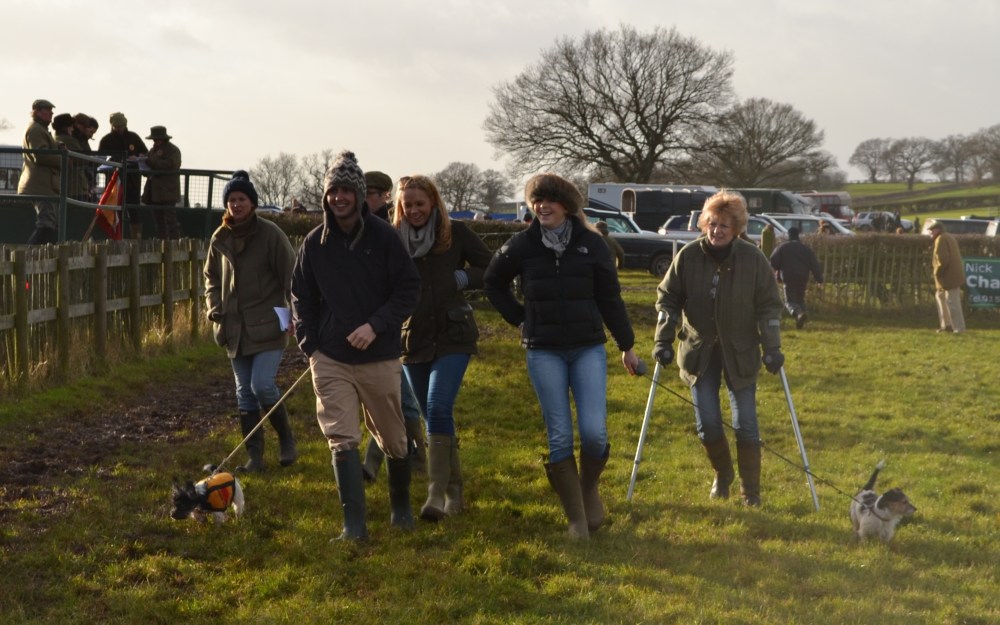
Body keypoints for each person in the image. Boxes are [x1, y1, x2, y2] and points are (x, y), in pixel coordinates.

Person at [484, 173, 639, 540]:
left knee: (594, 432)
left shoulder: (593, 244)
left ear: (567, 206)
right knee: (559, 436)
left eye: (549, 200)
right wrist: (520, 318)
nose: (542, 206)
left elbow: (610, 299)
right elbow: (493, 282)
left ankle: (587, 491)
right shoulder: (522, 245)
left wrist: (627, 345)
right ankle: (576, 522)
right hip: (543, 350)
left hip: (587, 347)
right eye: (536, 200)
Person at [291, 150, 421, 540]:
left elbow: (408, 289)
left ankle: (400, 508)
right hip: (329, 357)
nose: (339, 198)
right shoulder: (314, 243)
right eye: (333, 191)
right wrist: (310, 344)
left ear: (360, 195)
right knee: (341, 435)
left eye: (347, 190)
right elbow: (301, 296)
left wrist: (376, 326)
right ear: (326, 196)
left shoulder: (385, 238)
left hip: (378, 355)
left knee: (394, 437)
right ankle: (354, 526)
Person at [652, 190, 784, 507]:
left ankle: (750, 493)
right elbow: (667, 299)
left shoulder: (753, 259)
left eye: (724, 225)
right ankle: (723, 475)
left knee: (746, 424)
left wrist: (772, 347)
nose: (717, 230)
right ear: (704, 224)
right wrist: (663, 340)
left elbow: (769, 306)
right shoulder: (688, 256)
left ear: (736, 228)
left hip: (741, 351)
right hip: (699, 352)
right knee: (707, 423)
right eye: (712, 223)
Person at [392, 174, 493, 521]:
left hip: (453, 335)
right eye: (408, 206)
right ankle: (455, 492)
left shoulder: (456, 234)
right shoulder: (394, 242)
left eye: (421, 204)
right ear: (400, 208)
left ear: (434, 202)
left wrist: (463, 278)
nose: (415, 210)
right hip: (412, 339)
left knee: (436, 407)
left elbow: (491, 267)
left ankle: (434, 495)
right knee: (433, 415)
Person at [204, 170, 298, 472]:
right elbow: (211, 278)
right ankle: (255, 457)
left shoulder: (270, 234)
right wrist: (214, 307)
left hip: (268, 325)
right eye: (231, 200)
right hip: (233, 328)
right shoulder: (220, 237)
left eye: (242, 199)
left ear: (253, 202)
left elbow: (291, 276)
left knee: (262, 385)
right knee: (244, 391)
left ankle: (286, 439)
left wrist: (296, 312)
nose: (236, 205)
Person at [358, 169, 427, 482]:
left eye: (371, 192)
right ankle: (400, 459)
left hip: (399, 324)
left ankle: (417, 458)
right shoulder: (353, 229)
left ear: (385, 195)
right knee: (387, 398)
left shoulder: (393, 230)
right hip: (365, 325)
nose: (365, 198)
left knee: (400, 398)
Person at [98, 112, 148, 239]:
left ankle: (136, 239)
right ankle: (114, 239)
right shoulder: (106, 140)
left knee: (134, 210)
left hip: (133, 181)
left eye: (122, 126)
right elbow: (100, 160)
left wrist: (137, 157)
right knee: (114, 210)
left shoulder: (134, 137)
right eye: (117, 126)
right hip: (114, 182)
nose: (120, 129)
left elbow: (145, 154)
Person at [19, 99, 62, 245]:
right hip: (40, 186)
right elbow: (41, 155)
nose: (51, 113)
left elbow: (47, 147)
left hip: (45, 185)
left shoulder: (41, 129)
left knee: (51, 225)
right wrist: (63, 159)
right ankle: (29, 258)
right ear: (37, 111)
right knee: (47, 225)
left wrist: (59, 146)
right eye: (47, 110)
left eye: (51, 110)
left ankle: (38, 259)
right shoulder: (36, 129)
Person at [769, 227, 824, 329]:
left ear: (789, 235)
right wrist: (819, 279)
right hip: (803, 277)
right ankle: (801, 320)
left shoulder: (783, 247)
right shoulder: (805, 249)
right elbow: (814, 265)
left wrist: (778, 269)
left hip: (788, 277)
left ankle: (799, 314)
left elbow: (773, 260)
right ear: (798, 235)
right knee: (800, 299)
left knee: (790, 301)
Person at [142, 126, 183, 239]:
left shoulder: (173, 150)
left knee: (170, 220)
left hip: (167, 191)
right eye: (154, 139)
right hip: (154, 192)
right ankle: (162, 243)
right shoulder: (152, 151)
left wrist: (150, 162)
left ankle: (174, 243)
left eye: (158, 139)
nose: (156, 141)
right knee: (158, 220)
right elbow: (148, 169)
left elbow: (171, 165)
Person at [929, 222, 966, 334]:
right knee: (941, 297)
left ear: (938, 229)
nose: (930, 233)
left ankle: (959, 328)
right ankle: (947, 325)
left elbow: (943, 260)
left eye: (932, 230)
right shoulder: (948, 237)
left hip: (948, 276)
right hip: (950, 275)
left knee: (953, 303)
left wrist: (936, 273)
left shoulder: (941, 239)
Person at [51, 113, 90, 203]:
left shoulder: (56, 138)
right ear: (65, 127)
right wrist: (84, 138)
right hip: (76, 186)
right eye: (71, 126)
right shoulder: (68, 140)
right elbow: (85, 157)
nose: (73, 129)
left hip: (67, 186)